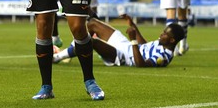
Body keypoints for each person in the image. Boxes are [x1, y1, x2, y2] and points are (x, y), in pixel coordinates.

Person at [53, 14, 185, 68]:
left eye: (165, 34)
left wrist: (133, 40)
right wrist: (133, 25)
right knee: (92, 24)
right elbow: (144, 46)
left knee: (91, 42)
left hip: (123, 56)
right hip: (125, 45)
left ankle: (57, 57)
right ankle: (69, 51)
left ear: (172, 40)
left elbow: (141, 64)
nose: (161, 34)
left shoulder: (164, 57)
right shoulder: (162, 43)